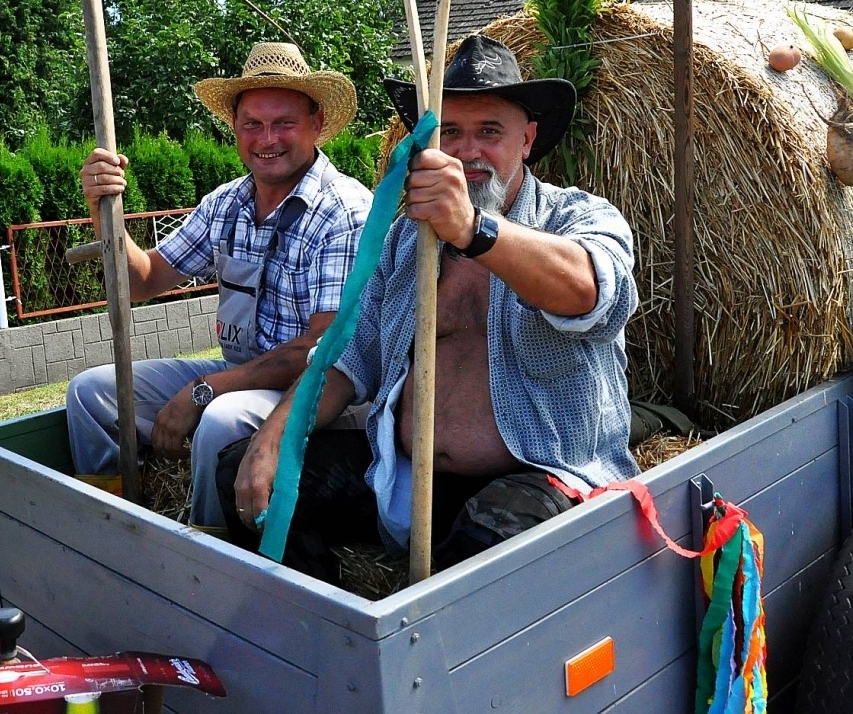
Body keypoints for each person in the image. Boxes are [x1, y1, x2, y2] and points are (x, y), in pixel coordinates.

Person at [218, 33, 640, 581]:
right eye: (452, 133)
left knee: (488, 539)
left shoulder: (577, 217)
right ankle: (337, 630)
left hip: (544, 474)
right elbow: (348, 358)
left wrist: (473, 230)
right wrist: (276, 435)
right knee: (251, 477)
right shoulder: (405, 243)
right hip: (402, 479)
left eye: (490, 132)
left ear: (527, 140)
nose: (467, 151)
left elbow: (592, 291)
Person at [66, 42, 373, 528]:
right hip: (242, 373)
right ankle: (114, 525)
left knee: (221, 419)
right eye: (252, 123)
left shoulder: (345, 211)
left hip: (321, 394)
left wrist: (203, 390)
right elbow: (142, 280)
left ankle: (208, 555)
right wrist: (103, 209)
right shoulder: (226, 204)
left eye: (283, 123)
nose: (266, 137)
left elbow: (322, 349)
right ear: (234, 127)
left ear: (317, 124)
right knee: (91, 392)